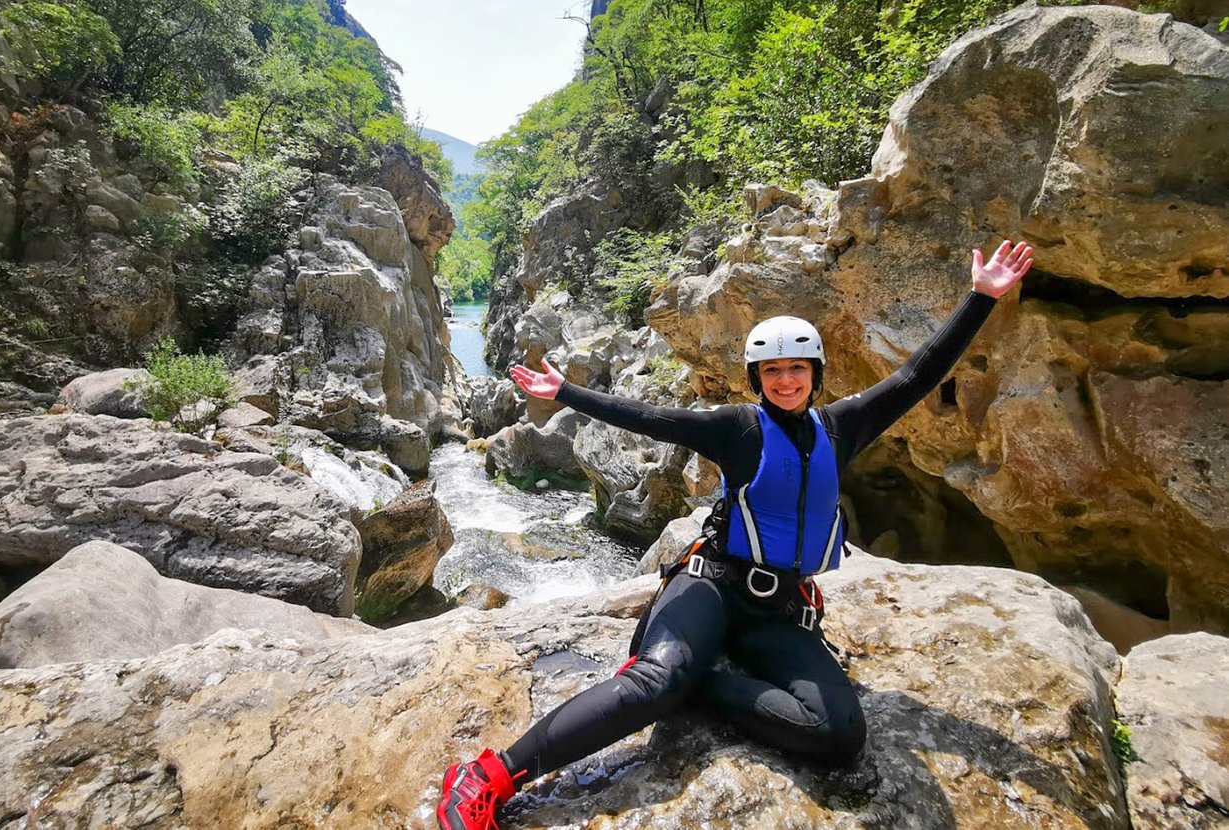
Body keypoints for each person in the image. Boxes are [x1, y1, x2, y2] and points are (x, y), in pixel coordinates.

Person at [437, 240, 1034, 830]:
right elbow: (655, 418)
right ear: (756, 377)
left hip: (777, 611)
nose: (785, 380)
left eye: (796, 368)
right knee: (654, 683)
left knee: (839, 733)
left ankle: (703, 682)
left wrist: (980, 298)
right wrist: (566, 392)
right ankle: (489, 775)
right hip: (712, 586)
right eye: (771, 370)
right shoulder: (738, 430)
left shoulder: (842, 427)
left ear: (815, 373)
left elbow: (914, 376)